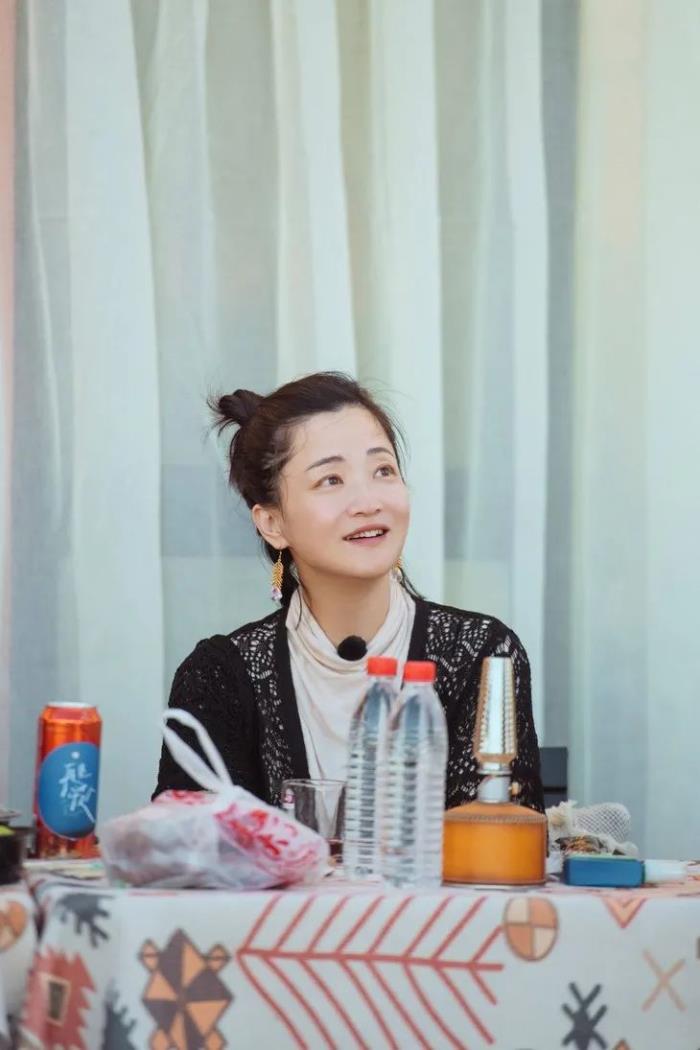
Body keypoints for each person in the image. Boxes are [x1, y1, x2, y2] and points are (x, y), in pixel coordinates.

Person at [154, 372, 544, 812]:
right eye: (331, 480)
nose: (368, 502)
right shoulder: (221, 676)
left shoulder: (482, 656)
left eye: (383, 470)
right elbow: (188, 841)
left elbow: (503, 839)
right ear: (272, 523)